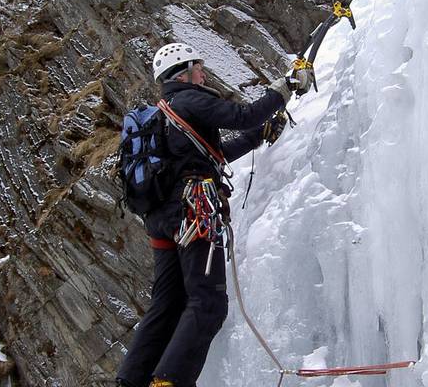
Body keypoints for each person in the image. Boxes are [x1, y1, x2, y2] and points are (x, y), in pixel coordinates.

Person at [116, 42, 311, 387]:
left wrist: (258, 137)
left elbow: (214, 154)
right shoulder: (190, 99)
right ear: (185, 71)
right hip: (193, 212)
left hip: (162, 221)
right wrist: (285, 87)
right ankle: (168, 382)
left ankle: (131, 380)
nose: (203, 74)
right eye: (199, 68)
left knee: (168, 303)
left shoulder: (166, 113)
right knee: (208, 303)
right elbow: (244, 115)